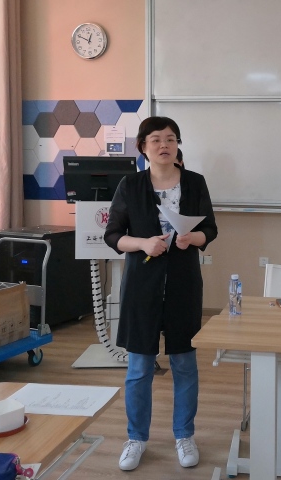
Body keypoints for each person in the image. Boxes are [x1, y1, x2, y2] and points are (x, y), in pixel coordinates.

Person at [104, 116, 217, 472]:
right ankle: (136, 438)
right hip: (142, 286)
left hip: (184, 284)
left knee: (184, 363)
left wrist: (193, 237)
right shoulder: (130, 185)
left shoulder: (195, 182)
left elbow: (210, 229)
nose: (164, 145)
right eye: (155, 139)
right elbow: (113, 235)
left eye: (170, 138)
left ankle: (184, 435)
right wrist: (143, 243)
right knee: (139, 367)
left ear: (178, 144)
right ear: (143, 147)